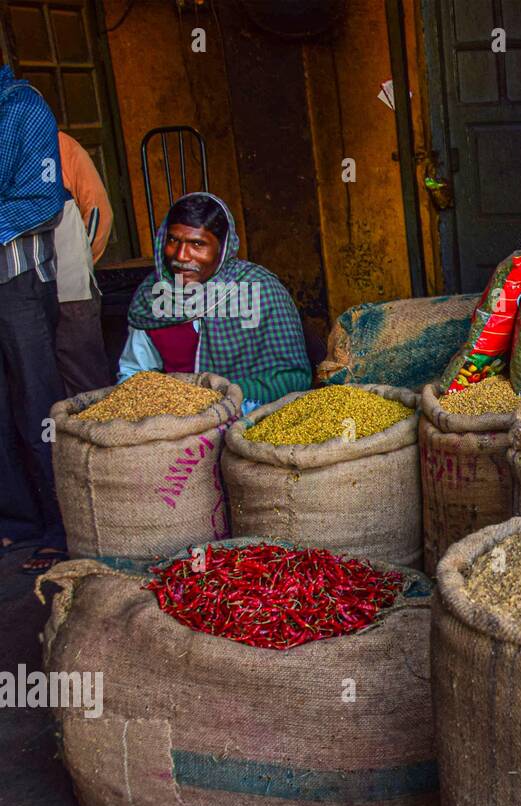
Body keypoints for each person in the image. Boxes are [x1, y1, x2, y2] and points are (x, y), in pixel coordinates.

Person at [120, 192, 311, 411]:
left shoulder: (258, 289)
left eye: (197, 244)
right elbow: (134, 374)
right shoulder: (151, 296)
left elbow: (292, 378)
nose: (181, 256)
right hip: (174, 420)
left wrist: (217, 399)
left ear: (223, 248)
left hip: (250, 414)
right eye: (173, 240)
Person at [0, 63, 69, 574]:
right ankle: (17, 522)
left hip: (17, 282)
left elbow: (44, 202)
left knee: (36, 405)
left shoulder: (22, 107)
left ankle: (60, 525)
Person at [53, 130, 114, 395]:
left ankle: (97, 435)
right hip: (19, 294)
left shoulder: (61, 145)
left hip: (70, 286)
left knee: (85, 379)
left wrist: (81, 261)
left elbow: (98, 210)